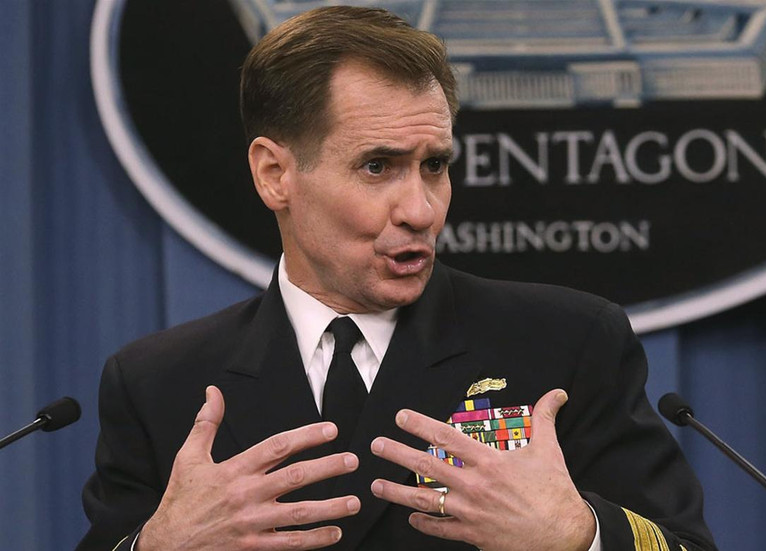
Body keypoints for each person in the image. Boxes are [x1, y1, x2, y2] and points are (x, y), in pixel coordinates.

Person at [78, 6, 716, 551]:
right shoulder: (160, 384)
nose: (420, 210)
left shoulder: (566, 344)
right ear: (275, 175)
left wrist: (578, 535)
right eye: (378, 166)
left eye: (434, 165)